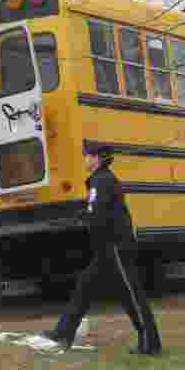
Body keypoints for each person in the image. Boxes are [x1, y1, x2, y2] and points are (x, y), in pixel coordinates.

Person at [40, 142, 162, 355]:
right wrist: (80, 214)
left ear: (97, 158)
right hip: (106, 248)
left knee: (132, 295)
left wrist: (78, 217)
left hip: (115, 246)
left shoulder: (102, 181)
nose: (85, 159)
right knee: (85, 286)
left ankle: (150, 342)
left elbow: (98, 215)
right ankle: (64, 332)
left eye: (87, 156)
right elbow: (95, 210)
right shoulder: (100, 180)